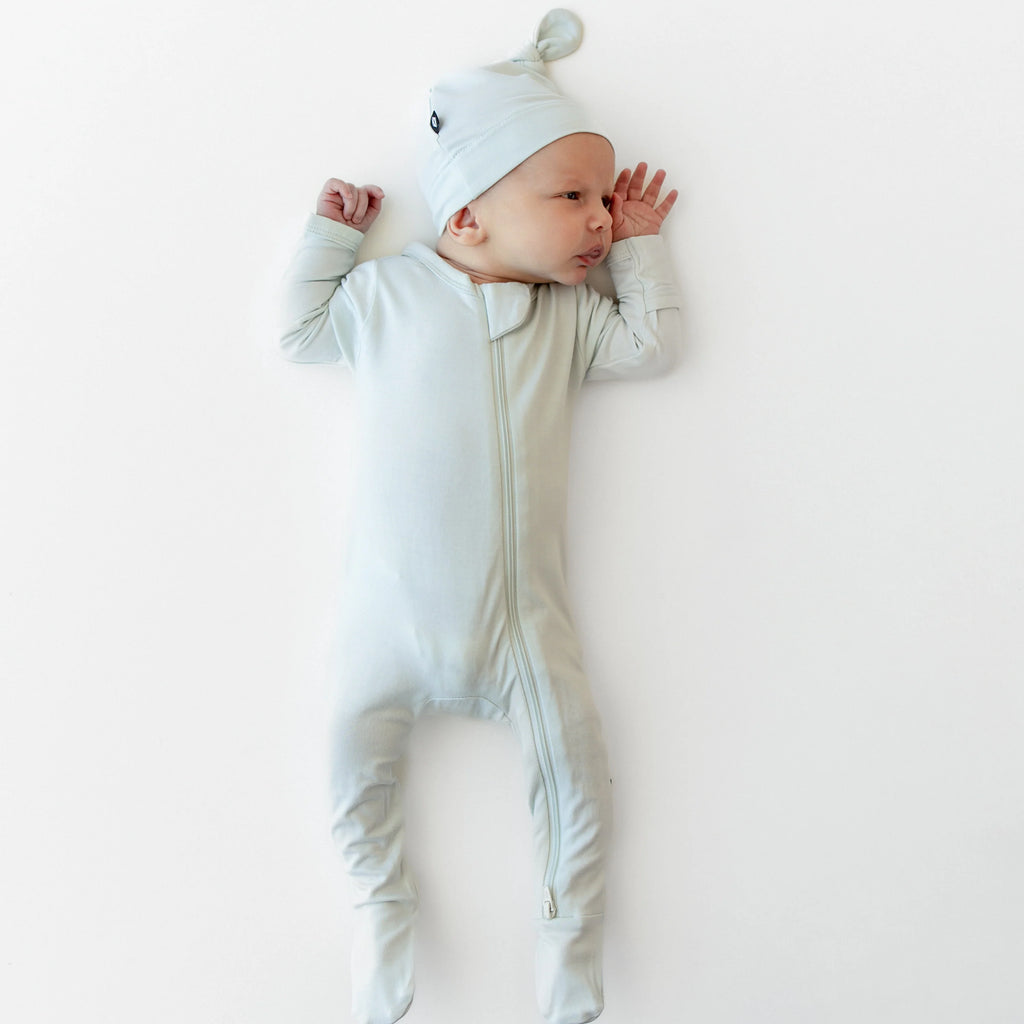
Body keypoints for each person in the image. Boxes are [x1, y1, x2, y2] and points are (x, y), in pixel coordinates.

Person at [279, 10, 681, 1024]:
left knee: (579, 773)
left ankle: (569, 941)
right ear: (467, 217)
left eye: (605, 200)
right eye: (574, 197)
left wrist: (642, 251)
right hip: (386, 619)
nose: (601, 218)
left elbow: (652, 349)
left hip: (522, 627)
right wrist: (331, 237)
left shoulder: (569, 317)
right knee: (348, 754)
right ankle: (379, 903)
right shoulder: (385, 297)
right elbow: (298, 331)